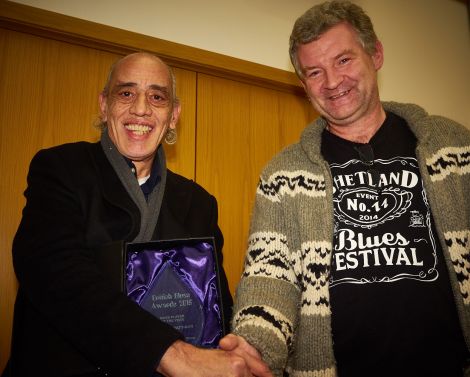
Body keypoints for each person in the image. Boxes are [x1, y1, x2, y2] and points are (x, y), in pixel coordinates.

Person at [226, 1, 470, 376]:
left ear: (375, 54)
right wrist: (254, 349)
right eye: (314, 72)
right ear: (304, 83)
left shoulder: (453, 145)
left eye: (343, 60)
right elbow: (269, 277)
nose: (332, 82)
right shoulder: (282, 174)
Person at [4, 52, 272, 377]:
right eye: (126, 93)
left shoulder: (198, 203)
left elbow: (212, 304)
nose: (141, 108)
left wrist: (237, 345)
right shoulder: (61, 169)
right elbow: (55, 272)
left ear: (173, 115)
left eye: (157, 97)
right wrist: (172, 353)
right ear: (104, 105)